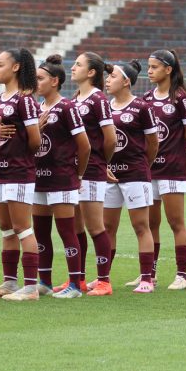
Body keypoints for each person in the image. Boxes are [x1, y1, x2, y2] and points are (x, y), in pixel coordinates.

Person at [31, 55, 91, 299]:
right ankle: (44, 281)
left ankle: (75, 285)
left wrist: (77, 174)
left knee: (67, 232)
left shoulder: (68, 107)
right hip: (39, 178)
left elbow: (84, 146)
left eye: (40, 78)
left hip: (62, 178)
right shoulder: (36, 108)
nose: (36, 82)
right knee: (41, 232)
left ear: (54, 81)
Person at [60, 51, 116, 294]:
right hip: (74, 170)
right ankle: (78, 279)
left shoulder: (98, 99)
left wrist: (102, 162)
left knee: (95, 226)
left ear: (91, 72)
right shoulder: (75, 98)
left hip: (91, 169)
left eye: (78, 65)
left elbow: (110, 138)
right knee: (76, 228)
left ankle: (104, 280)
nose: (73, 68)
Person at [102, 61, 159, 294]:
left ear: (126, 81)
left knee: (140, 226)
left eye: (112, 76)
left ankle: (147, 278)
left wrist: (144, 164)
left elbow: (153, 143)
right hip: (110, 176)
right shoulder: (105, 106)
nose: (107, 80)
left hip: (135, 174)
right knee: (107, 227)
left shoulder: (141, 107)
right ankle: (103, 278)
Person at [0, 48, 42, 300]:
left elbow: (35, 140)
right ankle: (10, 282)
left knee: (22, 228)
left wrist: (19, 156)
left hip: (18, 171)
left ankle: (30, 287)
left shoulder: (25, 100)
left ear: (16, 67)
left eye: (0, 64)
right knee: (6, 228)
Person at [142, 49, 186, 290]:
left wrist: (174, 152)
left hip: (172, 169)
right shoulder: (146, 97)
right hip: (150, 169)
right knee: (150, 224)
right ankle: (149, 274)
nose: (150, 71)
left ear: (168, 69)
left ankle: (182, 275)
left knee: (176, 222)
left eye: (154, 67)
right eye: (149, 67)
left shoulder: (182, 98)